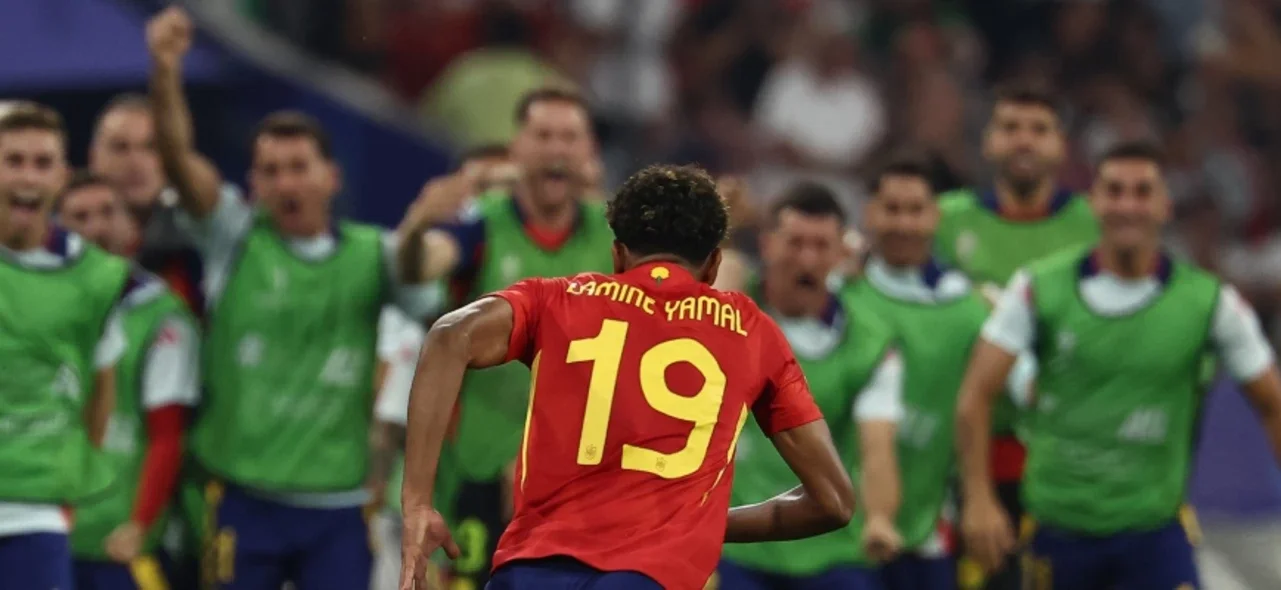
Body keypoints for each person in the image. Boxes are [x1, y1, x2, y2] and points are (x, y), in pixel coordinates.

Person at [398, 164, 857, 590]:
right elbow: (833, 501)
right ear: (715, 265)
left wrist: (417, 502)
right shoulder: (752, 330)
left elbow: (449, 335)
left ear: (617, 254)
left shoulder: (558, 300)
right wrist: (701, 520)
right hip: (648, 578)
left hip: (529, 572)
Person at [147, 8, 441, 589]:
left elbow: (424, 301)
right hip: (240, 496)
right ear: (252, 183)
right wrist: (164, 72)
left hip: (337, 504)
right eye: (269, 171)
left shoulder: (375, 253)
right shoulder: (232, 236)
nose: (285, 183)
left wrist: (417, 228)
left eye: (297, 168)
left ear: (331, 177)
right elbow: (179, 162)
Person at [955, 141, 1281, 589]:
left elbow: (1271, 402)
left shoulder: (1209, 303)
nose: (1128, 205)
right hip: (1059, 532)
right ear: (1095, 202)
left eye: (1142, 192)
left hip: (1153, 534)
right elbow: (976, 392)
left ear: (1165, 206)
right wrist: (978, 500)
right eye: (1115, 191)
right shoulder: (1038, 288)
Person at [398, 86, 616, 587]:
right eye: (543, 135)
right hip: (478, 468)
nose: (557, 149)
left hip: (577, 481)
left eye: (570, 137)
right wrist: (416, 226)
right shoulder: (483, 225)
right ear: (517, 149)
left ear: (589, 155)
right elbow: (420, 268)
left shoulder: (613, 241)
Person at [933, 81, 1098, 590]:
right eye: (1010, 128)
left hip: (1067, 460)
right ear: (988, 142)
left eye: (1039, 130)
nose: (1024, 140)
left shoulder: (1093, 225)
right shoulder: (943, 220)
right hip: (965, 460)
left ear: (1060, 146)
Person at [712, 183, 905, 589]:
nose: (808, 258)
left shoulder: (869, 342)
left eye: (821, 245)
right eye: (795, 242)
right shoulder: (729, 312)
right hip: (734, 544)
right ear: (767, 245)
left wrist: (882, 519)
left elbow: (877, 446)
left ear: (840, 254)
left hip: (830, 550)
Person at [0, 103, 132, 589]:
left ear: (62, 176)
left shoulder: (96, 279)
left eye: (41, 162)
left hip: (36, 517)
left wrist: (70, 485)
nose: (27, 176)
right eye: (13, 160)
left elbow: (102, 395)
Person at [57, 173, 201, 590]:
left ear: (131, 227)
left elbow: (167, 435)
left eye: (108, 212)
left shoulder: (161, 315)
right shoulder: (25, 303)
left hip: (117, 544)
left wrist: (139, 524)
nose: (96, 227)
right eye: (80, 216)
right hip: (39, 532)